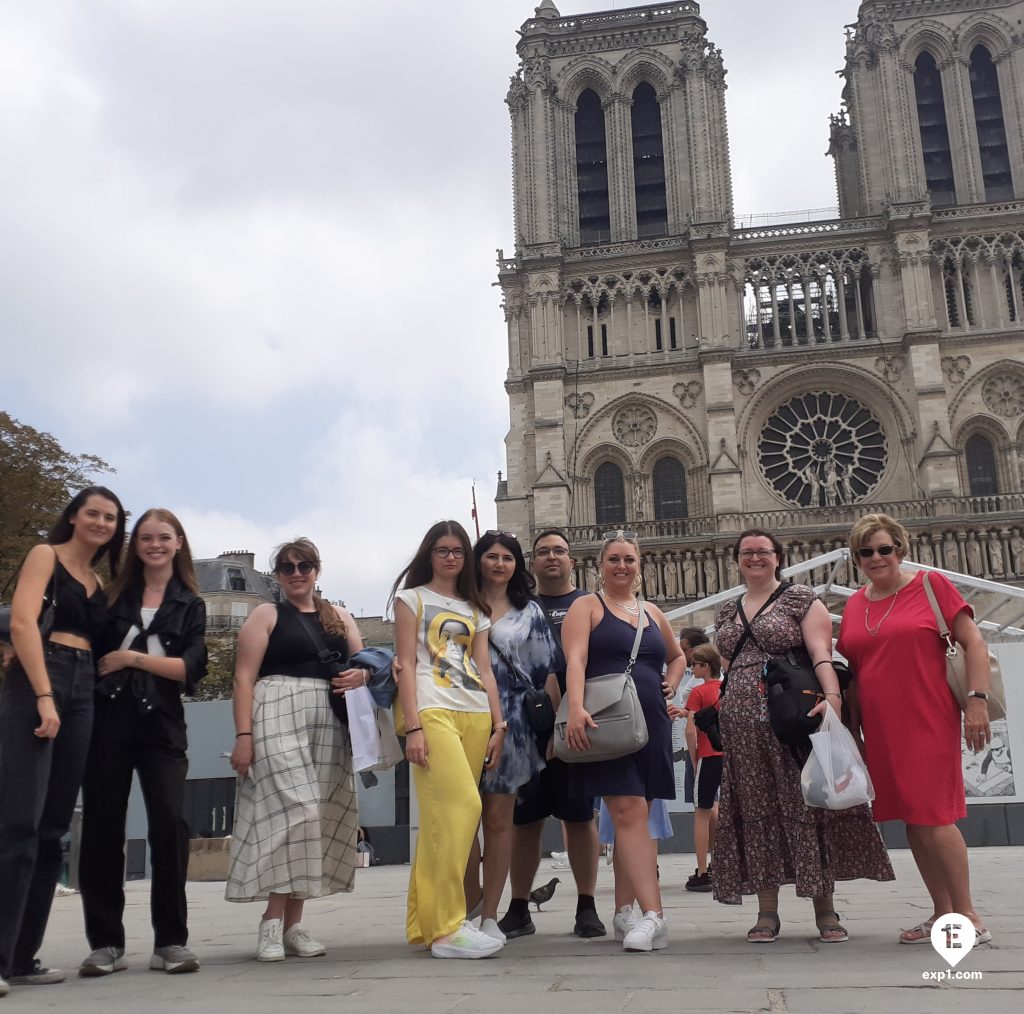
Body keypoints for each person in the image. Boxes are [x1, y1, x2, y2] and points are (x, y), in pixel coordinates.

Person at [712, 529, 894, 942]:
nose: (755, 558)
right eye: (746, 552)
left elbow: (820, 652)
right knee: (755, 810)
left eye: (763, 551)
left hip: (792, 720)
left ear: (778, 556)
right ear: (736, 559)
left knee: (808, 804)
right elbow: (729, 664)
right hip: (742, 727)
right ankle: (767, 912)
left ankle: (825, 910)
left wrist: (832, 698)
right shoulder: (726, 611)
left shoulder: (799, 598)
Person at [836, 514, 992, 945]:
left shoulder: (930, 585)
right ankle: (943, 913)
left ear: (900, 550)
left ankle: (969, 915)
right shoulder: (855, 605)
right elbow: (856, 673)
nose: (876, 557)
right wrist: (854, 733)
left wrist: (976, 700)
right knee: (913, 819)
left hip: (927, 717)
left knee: (934, 815)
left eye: (884, 549)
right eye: (866, 552)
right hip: (881, 726)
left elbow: (973, 642)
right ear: (856, 558)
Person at [0, 486, 125, 994]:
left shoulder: (99, 582)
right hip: (41, 678)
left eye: (110, 518)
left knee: (53, 830)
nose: (101, 523)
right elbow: (23, 623)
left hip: (84, 686)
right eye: (93, 513)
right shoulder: (44, 555)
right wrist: (44, 695)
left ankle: (21, 957)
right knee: (19, 824)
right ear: (74, 516)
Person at [78, 509, 208, 977]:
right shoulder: (112, 597)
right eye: (146, 538)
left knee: (169, 824)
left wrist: (131, 658)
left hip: (162, 724)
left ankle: (171, 941)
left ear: (178, 543)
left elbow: (190, 668)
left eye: (163, 537)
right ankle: (106, 943)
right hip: (109, 720)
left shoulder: (191, 603)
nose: (155, 545)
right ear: (135, 546)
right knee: (102, 827)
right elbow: (92, 656)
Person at [226, 539, 365, 961]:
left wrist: (361, 676)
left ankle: (293, 926)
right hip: (275, 709)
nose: (297, 573)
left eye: (304, 565)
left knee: (316, 816)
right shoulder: (266, 614)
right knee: (296, 811)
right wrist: (243, 735)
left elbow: (367, 665)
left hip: (328, 718)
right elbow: (243, 678)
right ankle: (271, 922)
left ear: (317, 570)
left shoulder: (339, 616)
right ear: (278, 575)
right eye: (287, 567)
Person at [563, 531, 685, 952]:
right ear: (600, 564)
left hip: (651, 723)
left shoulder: (652, 611)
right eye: (614, 558)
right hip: (609, 723)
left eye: (629, 559)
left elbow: (677, 656)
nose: (621, 565)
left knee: (634, 818)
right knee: (628, 811)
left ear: (639, 565)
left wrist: (671, 683)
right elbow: (575, 659)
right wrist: (575, 707)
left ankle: (623, 911)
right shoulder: (586, 606)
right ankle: (655, 916)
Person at [391, 521, 507, 959]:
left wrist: (499, 725)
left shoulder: (477, 609)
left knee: (441, 820)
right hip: (431, 708)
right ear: (430, 554)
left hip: (475, 712)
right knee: (464, 806)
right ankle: (447, 927)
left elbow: (485, 669)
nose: (451, 557)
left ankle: (428, 925)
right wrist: (413, 726)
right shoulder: (412, 599)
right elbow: (405, 663)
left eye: (458, 551)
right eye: (443, 550)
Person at [499, 529, 605, 940]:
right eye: (543, 551)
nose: (551, 557)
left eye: (559, 551)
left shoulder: (590, 604)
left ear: (572, 561)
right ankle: (518, 908)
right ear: (532, 561)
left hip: (576, 726)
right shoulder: (517, 607)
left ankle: (587, 906)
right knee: (525, 821)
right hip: (527, 729)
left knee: (579, 818)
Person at [463, 531, 558, 942]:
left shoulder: (529, 610)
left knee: (499, 819)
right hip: (462, 714)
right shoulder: (459, 604)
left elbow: (545, 672)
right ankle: (468, 904)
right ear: (478, 561)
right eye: (492, 556)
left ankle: (490, 915)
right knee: (461, 819)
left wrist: (551, 730)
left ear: (517, 565)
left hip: (513, 723)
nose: (499, 564)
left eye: (507, 557)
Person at [673, 642, 723, 892]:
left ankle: (702, 871)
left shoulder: (698, 692)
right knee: (716, 808)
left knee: (701, 812)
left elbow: (691, 731)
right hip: (726, 755)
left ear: (705, 666)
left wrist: (693, 758)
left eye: (695, 664)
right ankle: (722, 865)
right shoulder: (725, 689)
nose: (692, 668)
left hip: (707, 754)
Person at [675, 627, 710, 812]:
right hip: (699, 745)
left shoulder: (700, 684)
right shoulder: (700, 681)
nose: (681, 654)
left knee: (703, 803)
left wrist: (693, 755)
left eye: (684, 649)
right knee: (703, 801)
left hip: (699, 746)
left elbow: (694, 720)